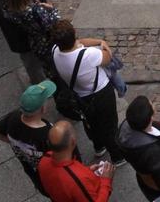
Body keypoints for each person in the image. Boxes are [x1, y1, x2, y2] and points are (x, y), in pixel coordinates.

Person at [50, 19, 121, 162]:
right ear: (73, 35)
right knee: (109, 125)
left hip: (80, 96)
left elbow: (79, 42)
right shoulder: (89, 55)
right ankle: (117, 157)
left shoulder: (55, 51)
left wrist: (97, 41)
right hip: (100, 94)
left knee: (91, 123)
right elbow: (108, 57)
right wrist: (104, 45)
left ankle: (99, 147)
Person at [0, 81, 58, 196]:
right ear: (43, 108)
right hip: (52, 177)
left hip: (35, 174)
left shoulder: (13, 117)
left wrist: (16, 143)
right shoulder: (46, 133)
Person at [0, 0, 52, 84]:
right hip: (25, 43)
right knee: (33, 65)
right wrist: (48, 11)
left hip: (26, 40)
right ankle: (41, 87)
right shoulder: (15, 10)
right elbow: (43, 25)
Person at [37, 120, 115, 202]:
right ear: (73, 142)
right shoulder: (78, 180)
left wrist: (87, 171)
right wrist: (106, 180)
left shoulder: (44, 160)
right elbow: (75, 180)